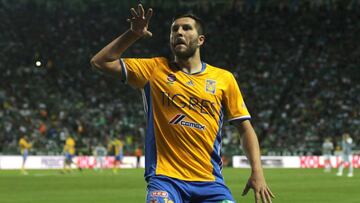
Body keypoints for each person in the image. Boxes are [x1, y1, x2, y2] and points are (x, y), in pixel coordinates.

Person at [91, 4, 274, 203]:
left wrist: (257, 172)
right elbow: (100, 62)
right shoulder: (154, 69)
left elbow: (245, 129)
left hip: (210, 183)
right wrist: (133, 34)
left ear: (200, 40)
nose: (179, 32)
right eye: (174, 29)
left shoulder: (224, 79)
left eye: (186, 28)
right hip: (165, 180)